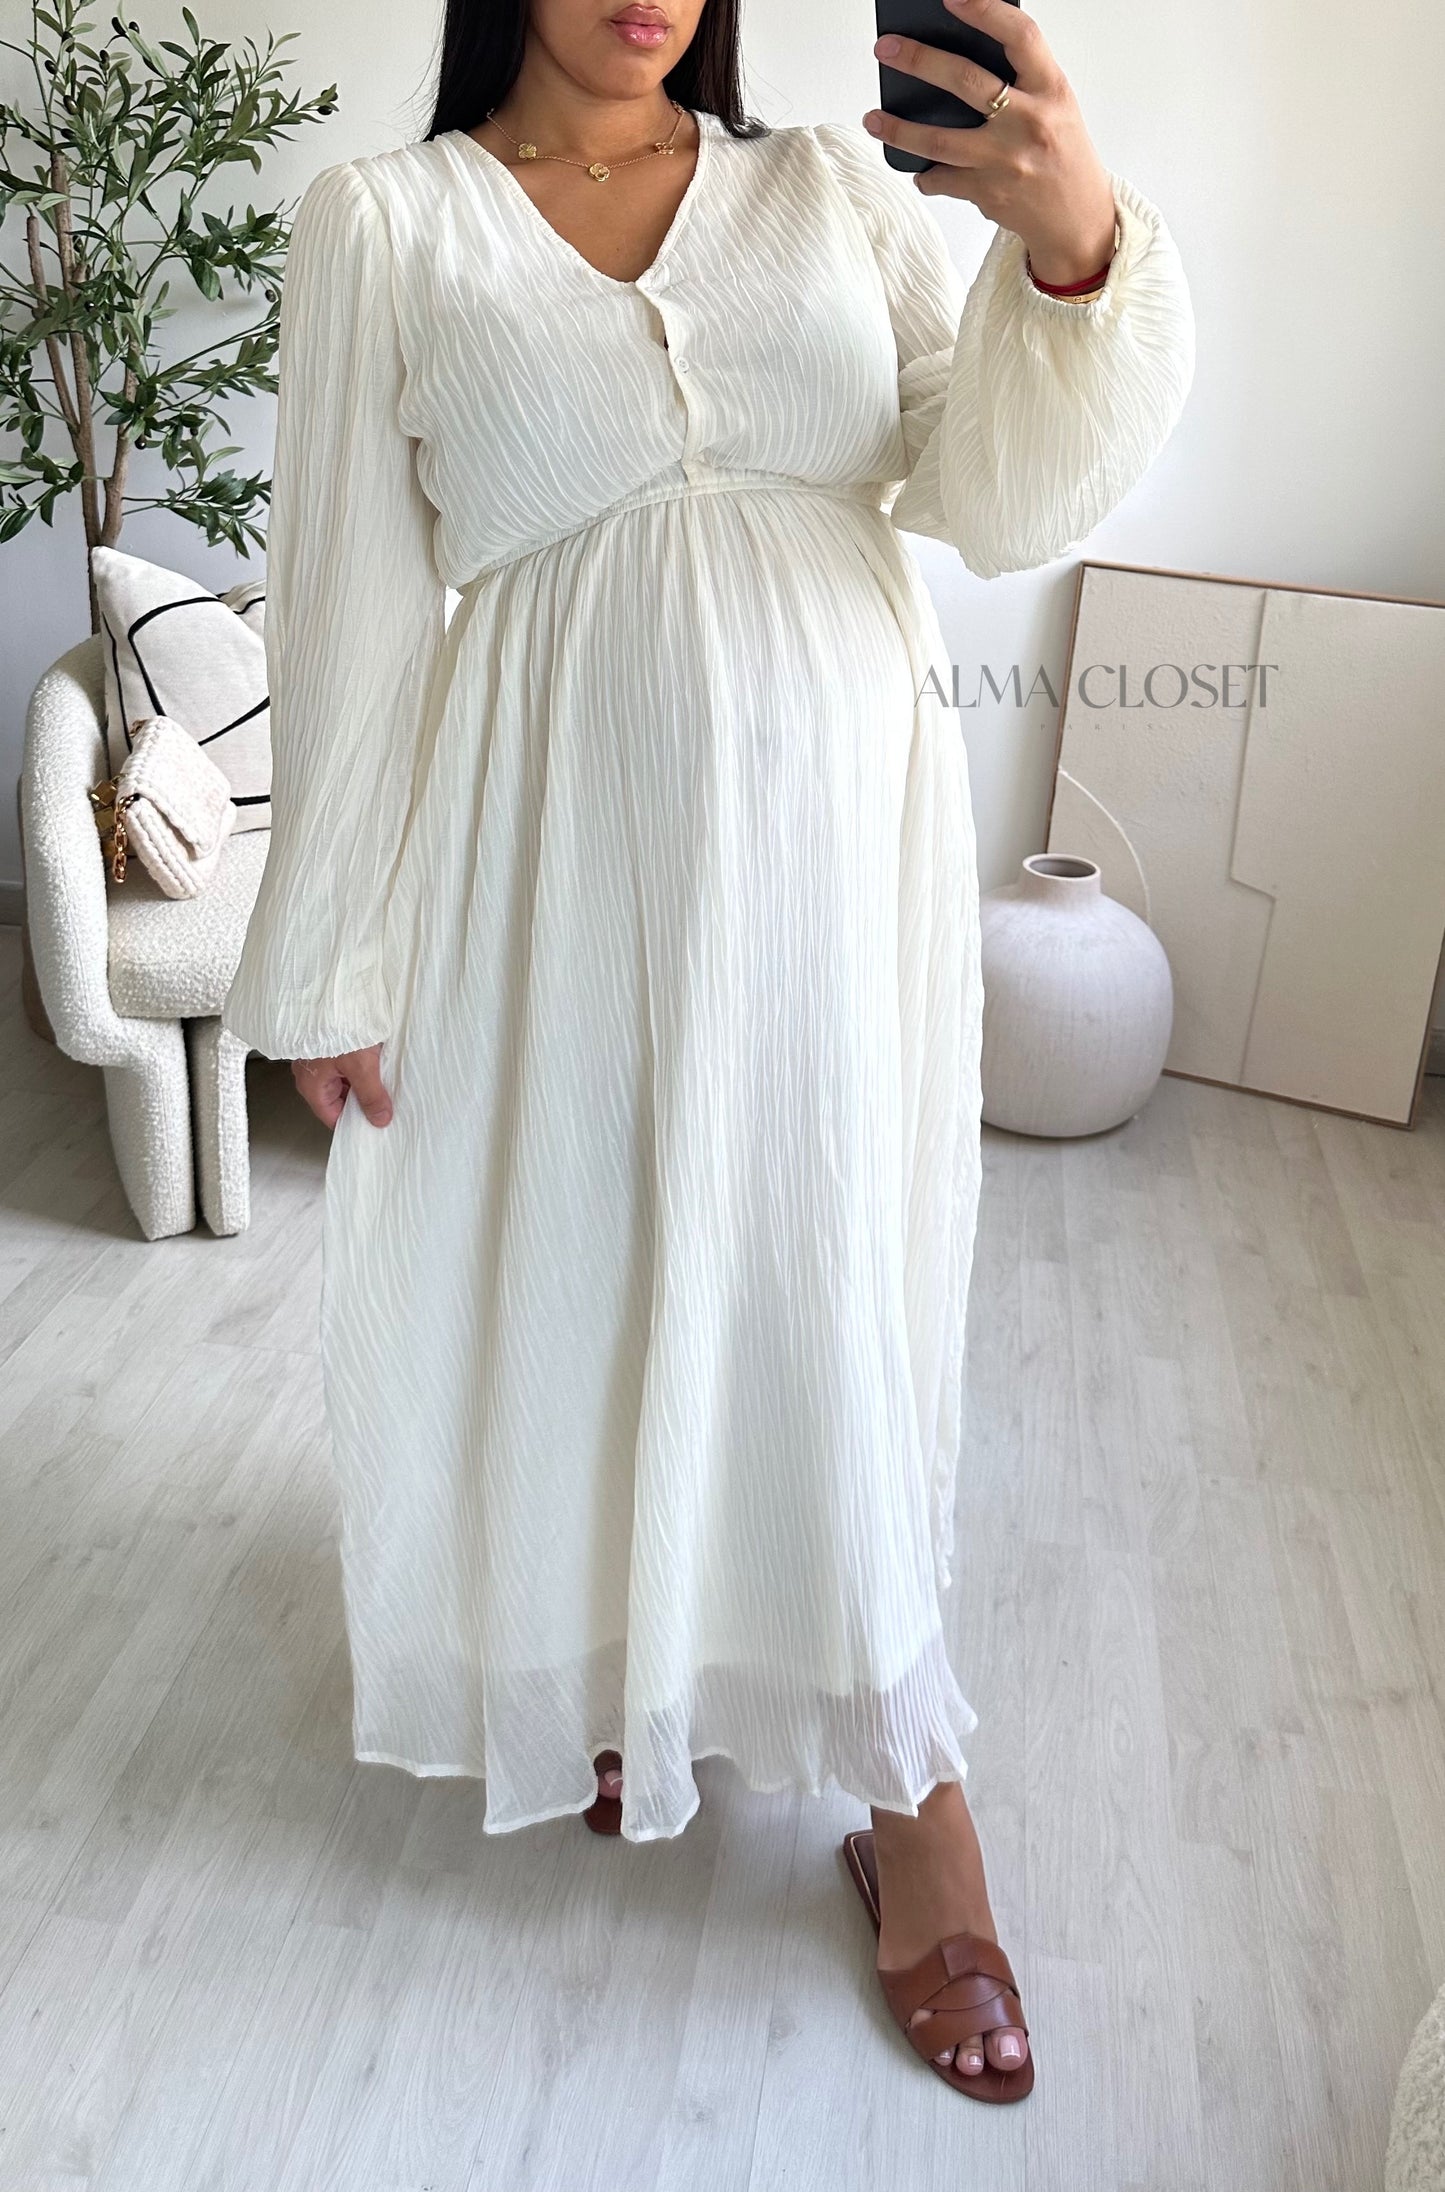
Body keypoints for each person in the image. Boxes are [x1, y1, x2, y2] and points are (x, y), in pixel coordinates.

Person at [222, 0, 1194, 2106]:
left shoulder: (829, 189)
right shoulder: (387, 225)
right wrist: (333, 955)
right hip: (544, 860)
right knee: (585, 1259)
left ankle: (912, 1800)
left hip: (834, 862)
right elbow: (345, 610)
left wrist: (1067, 245)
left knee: (822, 1287)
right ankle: (626, 1669)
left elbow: (993, 490)